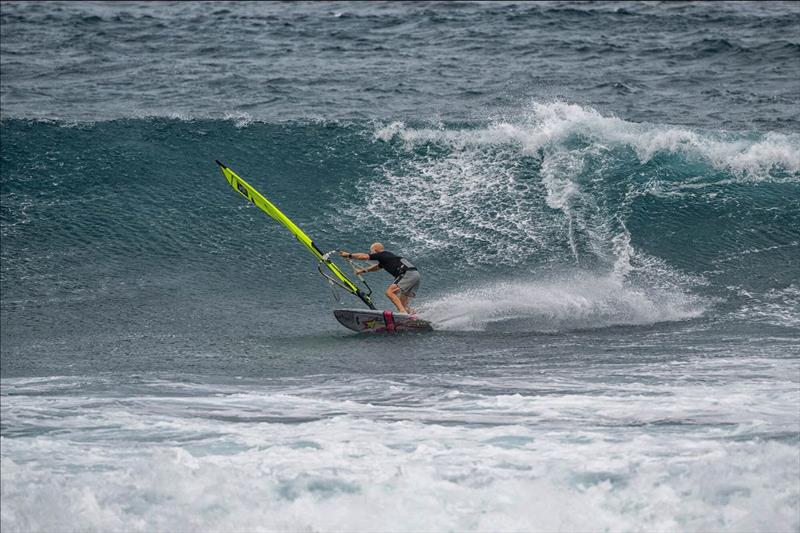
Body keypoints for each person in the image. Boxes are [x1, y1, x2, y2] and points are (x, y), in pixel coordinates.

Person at [339, 243, 420, 314]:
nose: (370, 253)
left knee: (389, 292)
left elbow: (363, 256)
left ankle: (402, 313)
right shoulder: (386, 257)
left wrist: (349, 255)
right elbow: (377, 267)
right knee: (403, 304)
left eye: (371, 251)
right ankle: (414, 315)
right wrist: (363, 270)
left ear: (376, 250)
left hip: (407, 273)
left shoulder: (382, 254)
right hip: (415, 275)